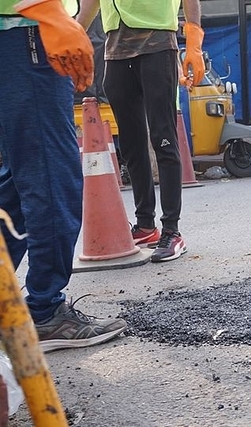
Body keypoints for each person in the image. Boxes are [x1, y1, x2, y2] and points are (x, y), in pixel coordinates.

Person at [0, 0, 127, 351]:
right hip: (24, 32)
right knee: (50, 178)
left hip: (21, 33)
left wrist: (70, 21)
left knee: (18, 184)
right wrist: (49, 12)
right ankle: (44, 312)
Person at [77, 0, 205, 262]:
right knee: (132, 145)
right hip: (115, 51)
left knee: (164, 139)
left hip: (156, 44)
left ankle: (172, 230)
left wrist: (194, 39)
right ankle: (146, 225)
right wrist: (75, 36)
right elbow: (90, 3)